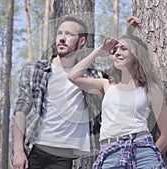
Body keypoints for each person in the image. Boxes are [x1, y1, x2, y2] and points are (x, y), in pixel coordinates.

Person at [68, 16, 167, 169]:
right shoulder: (107, 85)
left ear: (137, 56)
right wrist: (98, 52)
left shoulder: (149, 89)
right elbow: (73, 76)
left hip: (143, 151)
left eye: (123, 49)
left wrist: (151, 158)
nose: (117, 52)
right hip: (110, 153)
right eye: (115, 50)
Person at [12, 16, 101, 169]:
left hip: (65, 153)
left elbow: (124, 64)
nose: (61, 38)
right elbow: (21, 110)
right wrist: (18, 150)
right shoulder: (34, 70)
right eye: (59, 33)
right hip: (34, 149)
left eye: (69, 34)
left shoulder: (91, 75)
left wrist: (131, 30)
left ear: (81, 42)